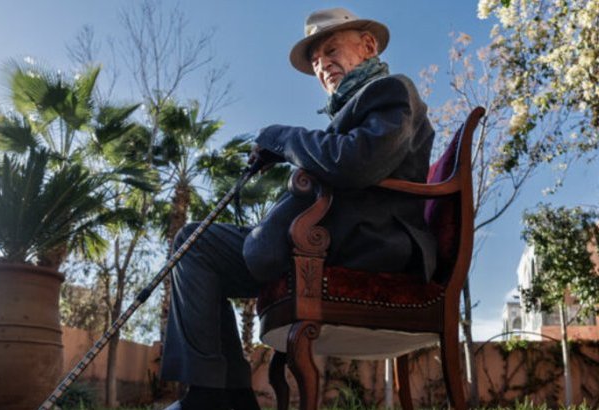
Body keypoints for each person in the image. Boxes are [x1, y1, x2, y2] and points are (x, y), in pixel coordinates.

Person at [161, 7, 437, 410]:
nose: (322, 64)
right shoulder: (344, 113)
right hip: (315, 244)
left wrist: (281, 137)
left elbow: (355, 162)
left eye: (330, 49)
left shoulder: (392, 91)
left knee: (205, 243)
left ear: (368, 46)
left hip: (367, 244)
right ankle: (218, 396)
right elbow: (333, 158)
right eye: (315, 60)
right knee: (194, 243)